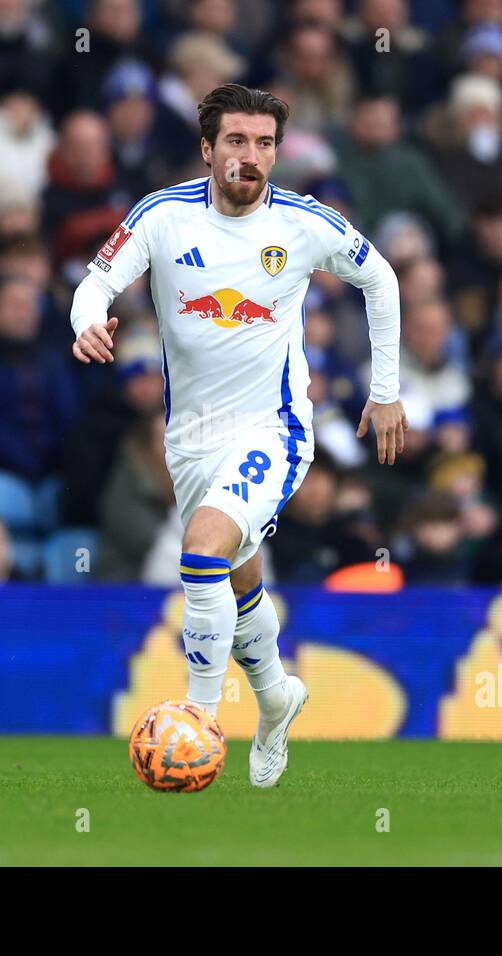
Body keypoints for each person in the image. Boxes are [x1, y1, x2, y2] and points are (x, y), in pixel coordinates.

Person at [69, 83, 407, 787]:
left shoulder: (304, 224)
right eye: (236, 141)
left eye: (264, 143)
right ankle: (276, 696)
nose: (250, 156)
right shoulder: (161, 216)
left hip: (273, 428)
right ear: (208, 148)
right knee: (238, 575)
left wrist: (384, 392)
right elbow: (94, 282)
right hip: (189, 439)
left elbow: (381, 278)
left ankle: (198, 720)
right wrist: (88, 322)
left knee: (202, 550)